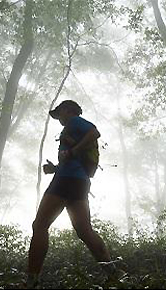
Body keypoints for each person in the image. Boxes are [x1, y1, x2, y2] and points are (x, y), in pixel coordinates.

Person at [26, 100, 124, 288]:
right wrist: (55, 168)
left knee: (40, 225)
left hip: (66, 180)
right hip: (79, 181)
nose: (59, 118)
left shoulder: (75, 121)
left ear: (67, 110)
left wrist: (72, 152)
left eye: (59, 113)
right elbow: (73, 158)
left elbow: (95, 132)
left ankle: (31, 281)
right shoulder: (72, 127)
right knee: (84, 231)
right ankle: (113, 273)